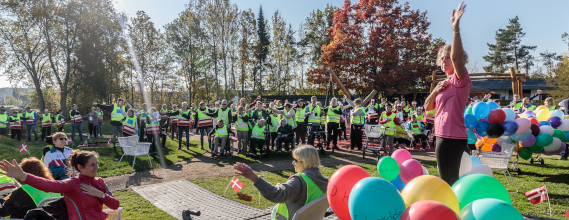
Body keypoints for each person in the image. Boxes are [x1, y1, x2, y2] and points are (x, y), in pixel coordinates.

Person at [424, 2, 471, 186]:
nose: (445, 60)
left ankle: (452, 212)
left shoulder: (460, 80)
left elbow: (457, 57)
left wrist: (456, 29)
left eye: (447, 57)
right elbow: (428, 108)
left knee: (448, 180)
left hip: (454, 137)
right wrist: (435, 90)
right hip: (441, 135)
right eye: (442, 58)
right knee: (448, 179)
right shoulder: (443, 84)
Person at [0, 150, 120, 219]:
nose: (97, 167)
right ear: (80, 167)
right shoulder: (73, 183)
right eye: (92, 165)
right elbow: (48, 185)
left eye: (97, 163)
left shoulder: (100, 182)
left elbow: (115, 205)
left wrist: (100, 195)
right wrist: (23, 176)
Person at [233, 145, 328, 220]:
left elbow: (277, 194)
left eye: (295, 160)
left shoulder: (299, 180)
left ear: (305, 162)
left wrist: (253, 177)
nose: (293, 163)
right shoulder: (321, 180)